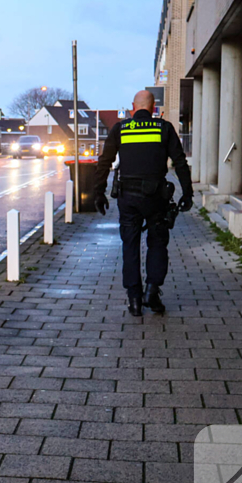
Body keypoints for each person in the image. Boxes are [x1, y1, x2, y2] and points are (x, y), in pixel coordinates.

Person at [94, 91, 193, 316]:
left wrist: (98, 193)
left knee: (130, 245)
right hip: (156, 197)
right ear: (153, 107)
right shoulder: (164, 128)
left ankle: (134, 299)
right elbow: (179, 162)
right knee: (157, 242)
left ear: (133, 107)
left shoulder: (120, 129)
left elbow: (105, 162)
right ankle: (152, 290)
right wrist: (187, 193)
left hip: (128, 198)